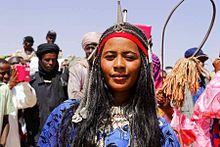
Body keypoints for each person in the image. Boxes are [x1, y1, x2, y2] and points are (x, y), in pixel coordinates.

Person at [38, 23, 180, 147]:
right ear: (98, 63)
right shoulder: (65, 116)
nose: (118, 64)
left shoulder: (159, 130)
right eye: (110, 57)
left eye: (129, 57)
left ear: (142, 66)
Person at [23, 43, 67, 146]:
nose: (51, 63)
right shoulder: (31, 83)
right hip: (36, 136)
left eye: (53, 60)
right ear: (40, 60)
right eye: (47, 60)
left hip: (59, 136)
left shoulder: (63, 81)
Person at [5, 56, 37, 147]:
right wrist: (9, 86)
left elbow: (30, 102)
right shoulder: (8, 87)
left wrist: (25, 83)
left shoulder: (17, 89)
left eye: (18, 67)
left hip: (12, 140)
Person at [68, 32, 101, 99]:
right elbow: (73, 96)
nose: (90, 51)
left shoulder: (104, 67)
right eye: (88, 48)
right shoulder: (77, 68)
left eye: (93, 48)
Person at [0, 59, 14, 147]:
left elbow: (6, 120)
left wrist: (2, 142)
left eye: (8, 73)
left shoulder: (4, 90)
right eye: (2, 73)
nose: (6, 76)